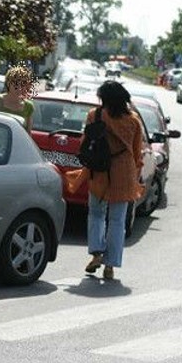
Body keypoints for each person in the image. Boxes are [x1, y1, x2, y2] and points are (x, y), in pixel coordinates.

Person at [77, 80, 144, 280]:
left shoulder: (94, 115)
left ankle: (96, 253)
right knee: (117, 220)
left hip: (100, 169)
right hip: (124, 171)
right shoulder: (133, 121)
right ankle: (110, 266)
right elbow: (136, 152)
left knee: (96, 214)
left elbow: (84, 143)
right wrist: (135, 174)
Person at [0, 65, 36, 132]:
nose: (19, 87)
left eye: (23, 84)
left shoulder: (29, 106)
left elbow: (28, 133)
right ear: (8, 83)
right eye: (16, 83)